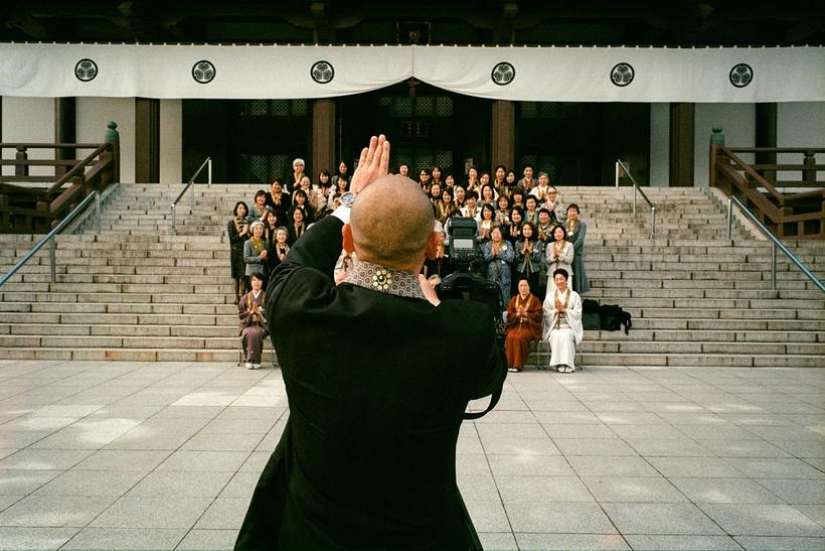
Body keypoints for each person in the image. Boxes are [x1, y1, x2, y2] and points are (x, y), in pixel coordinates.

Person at [235, 135, 506, 551]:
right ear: (435, 246)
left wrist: (348, 202)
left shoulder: (302, 313)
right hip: (424, 537)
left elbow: (296, 264)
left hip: (310, 536)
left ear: (347, 242)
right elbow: (488, 377)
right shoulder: (463, 330)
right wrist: (437, 303)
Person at [543, 268, 583, 373]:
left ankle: (568, 364)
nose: (559, 281)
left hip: (569, 326)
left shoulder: (575, 296)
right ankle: (557, 364)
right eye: (557, 279)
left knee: (567, 336)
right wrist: (556, 311)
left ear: (566, 280)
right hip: (555, 326)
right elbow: (546, 312)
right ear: (554, 281)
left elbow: (578, 313)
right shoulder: (550, 296)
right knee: (556, 336)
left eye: (562, 279)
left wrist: (565, 310)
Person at [504, 278, 543, 373]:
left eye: (525, 285)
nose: (523, 288)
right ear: (518, 287)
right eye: (520, 285)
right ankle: (509, 364)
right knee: (510, 336)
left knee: (520, 337)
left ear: (529, 287)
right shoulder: (514, 299)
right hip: (515, 326)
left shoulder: (535, 300)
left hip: (529, 327)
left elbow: (538, 316)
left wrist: (526, 314)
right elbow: (509, 315)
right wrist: (516, 314)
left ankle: (518, 365)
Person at [239, 272, 268, 370]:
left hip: (262, 325)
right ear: (250, 282)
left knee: (255, 333)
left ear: (262, 282)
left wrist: (260, 312)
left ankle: (252, 360)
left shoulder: (267, 297)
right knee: (248, 332)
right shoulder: (245, 297)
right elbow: (241, 314)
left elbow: (271, 313)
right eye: (254, 280)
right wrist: (250, 312)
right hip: (248, 324)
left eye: (259, 280)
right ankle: (252, 360)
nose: (256, 282)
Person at [482, 225, 514, 311]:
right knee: (492, 302)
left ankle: (504, 320)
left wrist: (498, 254)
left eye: (498, 232)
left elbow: (511, 258)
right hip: (491, 277)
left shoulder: (507, 243)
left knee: (505, 302)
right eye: (494, 233)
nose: (496, 235)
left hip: (505, 277)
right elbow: (485, 258)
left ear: (501, 233)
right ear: (491, 234)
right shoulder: (488, 245)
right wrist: (492, 255)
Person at [228, 201, 251, 302]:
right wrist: (242, 233)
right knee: (236, 274)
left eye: (244, 208)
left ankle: (243, 296)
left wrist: (248, 232)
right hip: (236, 250)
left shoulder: (248, 222)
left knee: (244, 274)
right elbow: (232, 238)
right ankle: (236, 296)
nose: (242, 210)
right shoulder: (232, 223)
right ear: (236, 210)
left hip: (245, 249)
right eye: (240, 208)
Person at [513, 221, 543, 297]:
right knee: (521, 292)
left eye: (529, 229)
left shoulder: (538, 242)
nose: (527, 231)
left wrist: (530, 250)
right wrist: (522, 252)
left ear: (533, 231)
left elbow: (538, 258)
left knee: (534, 292)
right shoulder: (518, 243)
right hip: (521, 271)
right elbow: (515, 260)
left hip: (534, 271)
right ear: (522, 231)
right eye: (525, 229)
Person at [566, 203, 590, 294]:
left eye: (574, 211)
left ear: (577, 213)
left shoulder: (581, 224)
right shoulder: (565, 224)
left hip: (576, 252)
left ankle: (577, 293)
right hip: (566, 253)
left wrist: (571, 248)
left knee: (576, 272)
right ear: (567, 213)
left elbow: (580, 238)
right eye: (570, 211)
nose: (572, 213)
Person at [545, 224, 574, 293]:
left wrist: (560, 255)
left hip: (566, 273)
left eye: (560, 232)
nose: (558, 234)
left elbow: (570, 260)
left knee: (566, 294)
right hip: (552, 273)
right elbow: (547, 260)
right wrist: (554, 257)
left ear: (564, 233)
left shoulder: (569, 245)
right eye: (556, 232)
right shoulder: (549, 245)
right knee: (551, 294)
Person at [244, 220, 269, 288]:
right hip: (251, 273)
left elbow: (268, 258)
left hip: (263, 272)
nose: (259, 230)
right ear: (252, 230)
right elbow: (246, 258)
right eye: (256, 229)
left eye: (260, 229)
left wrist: (266, 258)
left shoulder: (265, 243)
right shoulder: (248, 243)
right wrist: (260, 257)